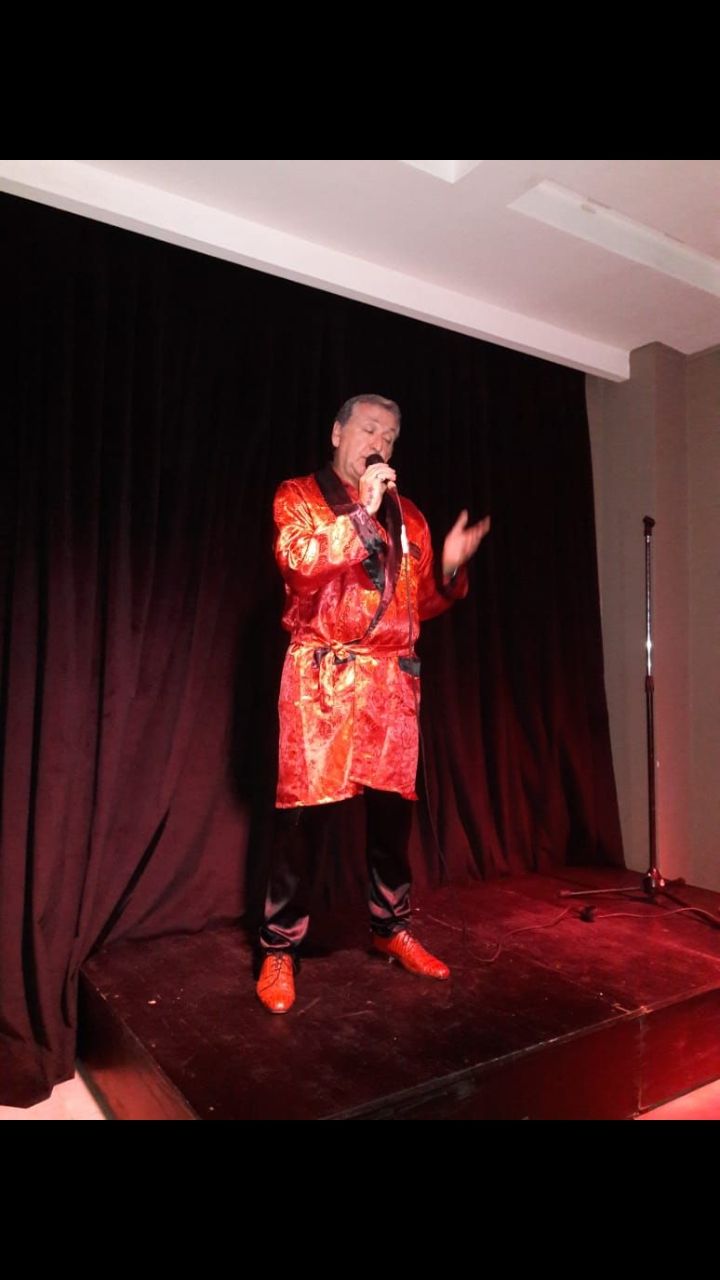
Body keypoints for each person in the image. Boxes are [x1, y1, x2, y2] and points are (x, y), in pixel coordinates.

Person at [256, 394, 490, 1012]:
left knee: (392, 819)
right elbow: (299, 565)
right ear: (337, 433)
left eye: (389, 434)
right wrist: (359, 511)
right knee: (302, 820)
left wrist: (447, 571)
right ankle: (279, 947)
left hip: (390, 683)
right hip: (322, 678)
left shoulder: (408, 516)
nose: (378, 442)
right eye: (368, 428)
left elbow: (415, 607)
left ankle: (390, 927)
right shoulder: (298, 496)